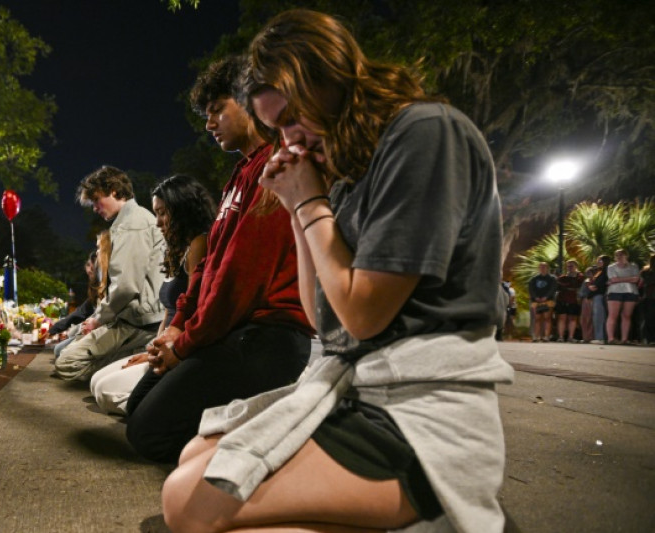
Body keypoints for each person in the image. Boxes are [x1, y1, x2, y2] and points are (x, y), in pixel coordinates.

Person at [161, 10, 515, 533]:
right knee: (195, 452)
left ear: (326, 82)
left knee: (186, 502)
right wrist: (299, 206)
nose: (291, 142)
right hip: (357, 384)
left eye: (291, 119)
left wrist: (308, 204)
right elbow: (325, 319)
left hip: (421, 406)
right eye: (279, 130)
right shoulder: (347, 168)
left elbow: (366, 314)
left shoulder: (425, 132)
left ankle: (436, 508)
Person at [125, 55, 314, 464]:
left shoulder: (277, 167)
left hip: (268, 336)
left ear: (248, 102)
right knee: (137, 406)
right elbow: (209, 268)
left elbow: (239, 278)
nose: (209, 124)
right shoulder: (236, 177)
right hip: (229, 330)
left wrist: (187, 343)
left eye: (216, 111)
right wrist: (176, 329)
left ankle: (279, 444)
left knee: (148, 433)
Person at [90, 175, 215, 415]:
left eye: (163, 213)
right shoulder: (177, 249)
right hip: (164, 342)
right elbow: (170, 311)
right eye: (155, 214)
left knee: (106, 392)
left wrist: (157, 356)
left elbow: (192, 311)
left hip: (184, 349)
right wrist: (151, 350)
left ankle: (169, 408)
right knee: (97, 382)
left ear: (184, 210)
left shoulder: (201, 243)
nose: (158, 223)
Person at [53, 166, 165, 381]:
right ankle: (122, 361)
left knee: (67, 363)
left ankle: (130, 362)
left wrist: (98, 320)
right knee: (64, 350)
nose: (95, 208)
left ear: (114, 190)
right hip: (133, 317)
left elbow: (125, 287)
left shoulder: (132, 224)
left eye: (96, 200)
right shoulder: (130, 220)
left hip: (139, 323)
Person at [49, 248, 101, 361]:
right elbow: (79, 313)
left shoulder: (105, 287)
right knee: (58, 350)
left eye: (91, 271)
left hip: (100, 331)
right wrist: (55, 329)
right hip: (89, 330)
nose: (89, 272)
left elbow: (82, 314)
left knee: (59, 351)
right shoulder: (94, 290)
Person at [606, 249, 640, 344]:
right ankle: (611, 338)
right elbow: (613, 279)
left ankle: (624, 339)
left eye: (621, 255)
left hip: (630, 292)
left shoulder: (633, 266)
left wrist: (619, 279)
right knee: (613, 315)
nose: (619, 257)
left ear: (626, 256)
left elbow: (636, 280)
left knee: (627, 315)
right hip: (615, 292)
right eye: (617, 255)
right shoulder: (611, 267)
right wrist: (629, 278)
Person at [528, 262, 557, 342]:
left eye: (544, 267)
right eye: (541, 267)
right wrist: (535, 297)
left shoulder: (552, 278)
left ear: (547, 268)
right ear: (539, 268)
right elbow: (531, 289)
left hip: (548, 300)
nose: (542, 268)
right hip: (536, 301)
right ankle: (536, 337)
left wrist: (546, 297)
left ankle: (546, 336)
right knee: (537, 319)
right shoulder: (534, 279)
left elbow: (553, 289)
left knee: (547, 318)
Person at [555, 260, 582, 342]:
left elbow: (578, 285)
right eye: (568, 266)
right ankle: (561, 337)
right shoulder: (562, 277)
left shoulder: (580, 277)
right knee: (562, 318)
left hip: (573, 300)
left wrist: (567, 286)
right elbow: (558, 286)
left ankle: (570, 337)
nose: (569, 268)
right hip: (562, 299)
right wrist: (569, 287)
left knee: (572, 318)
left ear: (576, 267)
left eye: (571, 266)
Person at [587, 255, 611, 344]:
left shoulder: (607, 270)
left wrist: (594, 286)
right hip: (596, 295)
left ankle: (600, 337)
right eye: (598, 260)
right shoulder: (598, 271)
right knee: (597, 317)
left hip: (601, 295)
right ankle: (599, 336)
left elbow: (604, 283)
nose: (598, 262)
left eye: (600, 261)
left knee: (600, 317)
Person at [578, 266, 598, 343]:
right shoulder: (585, 281)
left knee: (591, 319)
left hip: (593, 300)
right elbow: (581, 292)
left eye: (591, 272)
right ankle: (585, 337)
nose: (589, 274)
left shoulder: (596, 281)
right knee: (584, 319)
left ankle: (591, 336)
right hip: (585, 301)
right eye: (588, 273)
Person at [639, 254, 655, 345]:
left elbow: (640, 284)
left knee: (649, 318)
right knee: (649, 318)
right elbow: (642, 284)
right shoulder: (646, 272)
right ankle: (649, 338)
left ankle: (649, 338)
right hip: (650, 297)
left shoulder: (645, 272)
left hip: (648, 297)